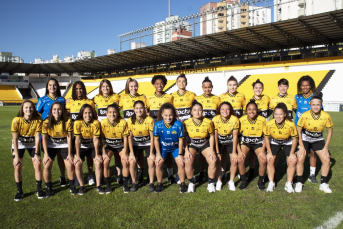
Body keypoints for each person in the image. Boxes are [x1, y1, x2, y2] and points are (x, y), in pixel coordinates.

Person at [296, 92, 333, 193]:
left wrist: (325, 148)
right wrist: (302, 146)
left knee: (326, 159)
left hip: (318, 139)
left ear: (321, 105)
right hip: (305, 138)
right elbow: (298, 130)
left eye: (318, 105)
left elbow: (330, 131)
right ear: (310, 105)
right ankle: (299, 182)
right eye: (313, 105)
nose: (316, 107)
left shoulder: (326, 116)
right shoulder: (305, 115)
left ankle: (323, 183)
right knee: (301, 157)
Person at [36, 78, 67, 187]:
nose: (52, 87)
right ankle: (47, 181)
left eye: (54, 85)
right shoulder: (42, 100)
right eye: (50, 85)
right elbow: (36, 113)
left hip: (60, 132)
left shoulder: (62, 100)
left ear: (57, 87)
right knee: (47, 157)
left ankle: (63, 177)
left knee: (61, 156)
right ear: (47, 87)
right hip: (47, 132)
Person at [11, 100, 44, 201]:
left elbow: (38, 137)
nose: (29, 109)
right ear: (22, 109)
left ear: (34, 109)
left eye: (31, 107)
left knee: (37, 164)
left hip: (32, 144)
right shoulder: (16, 120)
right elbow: (15, 139)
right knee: (17, 166)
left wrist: (37, 153)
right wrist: (16, 156)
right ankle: (19, 191)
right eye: (26, 107)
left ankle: (39, 190)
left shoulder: (38, 119)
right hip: (19, 144)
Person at [42, 102, 76, 197]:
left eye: (59, 109)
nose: (57, 111)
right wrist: (45, 154)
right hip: (51, 146)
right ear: (51, 111)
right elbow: (44, 138)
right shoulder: (46, 122)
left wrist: (70, 153)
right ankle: (49, 188)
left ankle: (72, 186)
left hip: (64, 145)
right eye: (54, 109)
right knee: (47, 165)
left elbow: (69, 137)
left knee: (69, 164)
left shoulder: (67, 121)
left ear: (62, 111)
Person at [66, 81, 96, 186]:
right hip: (75, 136)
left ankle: (90, 175)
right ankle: (76, 177)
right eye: (77, 89)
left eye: (81, 88)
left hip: (88, 133)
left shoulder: (90, 102)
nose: (79, 91)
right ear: (74, 90)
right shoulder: (69, 103)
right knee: (76, 157)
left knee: (89, 157)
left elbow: (94, 116)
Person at [146, 75, 175, 184]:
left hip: (166, 129)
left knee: (167, 152)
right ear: (153, 85)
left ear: (164, 84)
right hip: (153, 130)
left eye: (161, 83)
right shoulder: (148, 98)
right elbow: (146, 113)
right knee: (152, 152)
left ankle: (170, 175)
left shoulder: (169, 97)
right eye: (157, 83)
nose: (159, 85)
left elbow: (172, 113)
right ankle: (151, 176)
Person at [184, 101, 217, 193]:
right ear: (191, 112)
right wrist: (186, 151)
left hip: (204, 143)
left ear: (202, 111)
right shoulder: (186, 123)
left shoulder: (208, 122)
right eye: (195, 110)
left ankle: (211, 183)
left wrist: (212, 150)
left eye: (199, 110)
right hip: (193, 144)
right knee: (188, 161)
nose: (197, 112)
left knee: (213, 160)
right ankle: (191, 183)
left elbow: (211, 136)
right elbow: (183, 138)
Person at [264, 103, 298, 193]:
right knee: (270, 159)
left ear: (285, 114)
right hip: (274, 141)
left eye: (280, 114)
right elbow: (266, 138)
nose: (278, 116)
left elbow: (295, 139)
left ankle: (289, 183)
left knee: (292, 161)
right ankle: (271, 182)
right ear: (273, 114)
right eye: (276, 114)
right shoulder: (269, 124)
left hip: (288, 142)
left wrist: (292, 153)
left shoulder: (290, 124)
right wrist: (269, 152)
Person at [153, 103, 187, 193]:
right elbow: (156, 140)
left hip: (175, 148)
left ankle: (182, 183)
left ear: (174, 115)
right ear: (162, 115)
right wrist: (158, 155)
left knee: (180, 163)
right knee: (158, 163)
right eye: (166, 115)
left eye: (170, 115)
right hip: (163, 148)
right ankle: (160, 183)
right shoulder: (157, 125)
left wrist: (180, 154)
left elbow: (181, 141)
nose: (168, 117)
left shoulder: (178, 124)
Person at [243, 79, 270, 183]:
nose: (258, 89)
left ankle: (265, 174)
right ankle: (252, 172)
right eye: (256, 88)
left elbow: (271, 110)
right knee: (252, 153)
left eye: (260, 88)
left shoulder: (267, 98)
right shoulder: (248, 101)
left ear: (262, 89)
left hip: (263, 128)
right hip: (252, 129)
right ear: (253, 89)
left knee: (264, 153)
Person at [194, 76, 220, 183]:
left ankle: (217, 173)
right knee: (201, 153)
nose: (207, 89)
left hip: (212, 130)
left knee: (212, 153)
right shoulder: (197, 99)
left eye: (209, 87)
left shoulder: (217, 99)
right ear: (202, 88)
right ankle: (201, 173)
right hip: (201, 130)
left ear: (212, 87)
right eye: (205, 87)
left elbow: (219, 113)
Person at [73, 104, 103, 195]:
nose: (88, 115)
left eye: (90, 113)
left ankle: (98, 185)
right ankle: (82, 186)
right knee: (77, 164)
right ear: (82, 113)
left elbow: (95, 139)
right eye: (85, 113)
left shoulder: (96, 122)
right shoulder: (77, 123)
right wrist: (77, 155)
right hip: (81, 147)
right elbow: (77, 140)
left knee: (98, 162)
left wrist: (97, 154)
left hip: (92, 147)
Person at [101, 103, 131, 193]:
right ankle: (108, 185)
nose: (112, 114)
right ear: (106, 113)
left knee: (125, 161)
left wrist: (125, 151)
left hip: (120, 145)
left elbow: (125, 138)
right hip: (109, 146)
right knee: (105, 162)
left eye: (114, 112)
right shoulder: (103, 122)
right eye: (110, 112)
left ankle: (125, 184)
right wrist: (103, 152)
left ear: (118, 113)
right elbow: (101, 139)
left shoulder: (123, 122)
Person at [237, 99, 267, 191]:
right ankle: (243, 181)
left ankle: (260, 181)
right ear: (246, 111)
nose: (251, 111)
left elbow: (266, 136)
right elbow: (236, 136)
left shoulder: (262, 120)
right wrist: (238, 151)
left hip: (258, 143)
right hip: (246, 142)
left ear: (257, 110)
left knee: (262, 160)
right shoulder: (242, 119)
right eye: (249, 109)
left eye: (254, 109)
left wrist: (263, 151)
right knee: (241, 158)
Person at [127, 100, 155, 192]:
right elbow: (130, 138)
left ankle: (151, 183)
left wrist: (151, 153)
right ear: (134, 110)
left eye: (141, 108)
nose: (139, 110)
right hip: (136, 144)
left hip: (148, 144)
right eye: (137, 108)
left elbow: (152, 137)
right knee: (132, 162)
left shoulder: (149, 119)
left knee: (151, 161)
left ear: (144, 109)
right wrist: (131, 153)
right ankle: (135, 182)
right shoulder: (130, 120)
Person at [295, 75, 319, 183]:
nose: (305, 87)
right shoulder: (297, 97)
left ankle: (312, 175)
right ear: (300, 86)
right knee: (299, 152)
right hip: (299, 130)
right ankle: (298, 174)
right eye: (303, 85)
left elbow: (319, 113)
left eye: (307, 85)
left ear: (311, 86)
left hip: (312, 130)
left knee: (313, 152)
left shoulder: (315, 97)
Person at [212, 102, 239, 191]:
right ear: (219, 110)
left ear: (230, 110)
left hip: (230, 141)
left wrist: (234, 152)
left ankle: (231, 181)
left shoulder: (234, 119)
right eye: (223, 109)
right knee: (218, 160)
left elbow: (235, 137)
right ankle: (219, 181)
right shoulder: (215, 119)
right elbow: (215, 137)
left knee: (234, 161)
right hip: (219, 142)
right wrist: (217, 152)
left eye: (227, 109)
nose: (225, 111)